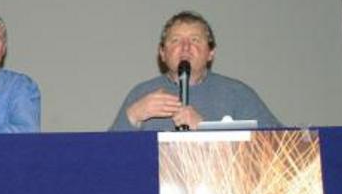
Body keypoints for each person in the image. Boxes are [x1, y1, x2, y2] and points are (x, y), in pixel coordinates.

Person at [110, 11, 281, 131]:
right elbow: (106, 156)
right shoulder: (142, 93)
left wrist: (205, 128)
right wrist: (133, 115)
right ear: (162, 53)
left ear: (210, 53)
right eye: (175, 40)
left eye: (195, 40)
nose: (185, 47)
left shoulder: (237, 94)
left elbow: (277, 145)